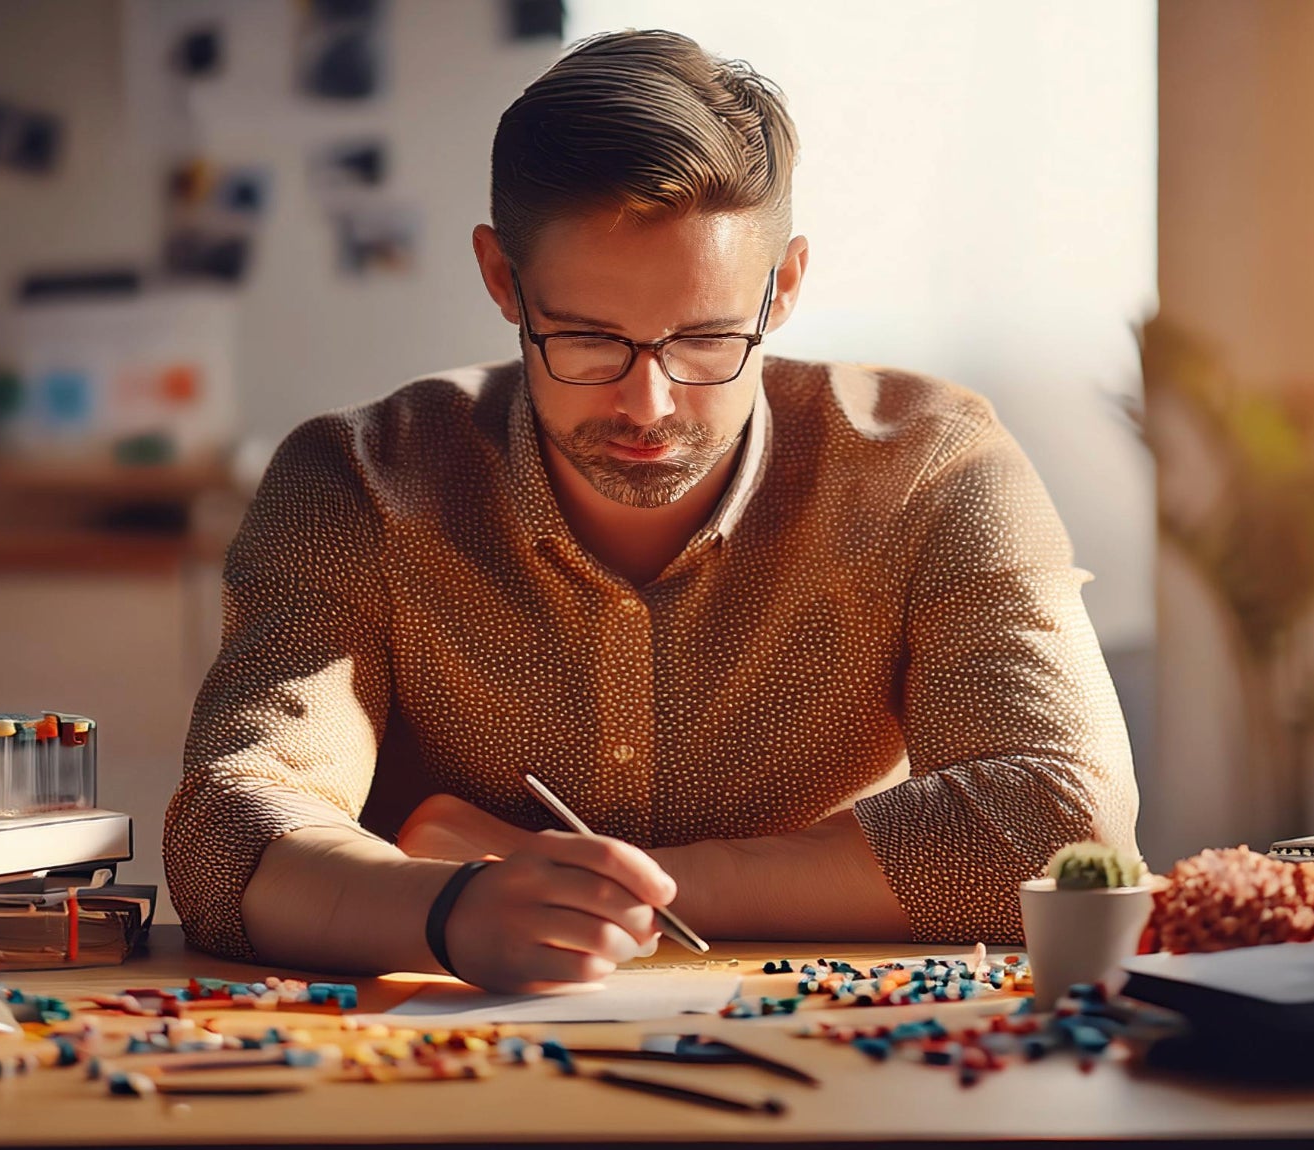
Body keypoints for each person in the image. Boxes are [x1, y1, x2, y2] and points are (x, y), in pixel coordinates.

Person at [164, 29, 1138, 993]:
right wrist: (451, 911)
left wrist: (579, 879)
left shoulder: (933, 466)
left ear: (784, 285)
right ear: (503, 278)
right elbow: (230, 826)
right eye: (588, 340)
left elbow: (1063, 822)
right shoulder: (355, 482)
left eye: (709, 339)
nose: (650, 405)